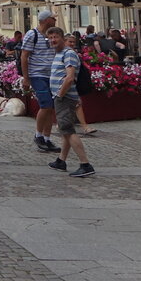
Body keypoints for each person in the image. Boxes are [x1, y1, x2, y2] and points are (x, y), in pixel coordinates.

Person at [45, 26, 95, 178]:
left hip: (65, 98)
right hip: (61, 97)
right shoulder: (59, 53)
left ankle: (85, 164)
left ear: (62, 38)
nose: (53, 40)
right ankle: (61, 161)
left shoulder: (69, 54)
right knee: (66, 130)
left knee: (67, 130)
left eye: (55, 37)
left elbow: (70, 77)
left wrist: (60, 94)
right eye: (50, 38)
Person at [19, 10, 61, 154]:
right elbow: (24, 56)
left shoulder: (52, 35)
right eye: (52, 18)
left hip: (52, 75)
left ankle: (47, 138)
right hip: (37, 75)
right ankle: (38, 135)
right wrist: (26, 77)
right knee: (46, 104)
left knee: (51, 108)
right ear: (45, 20)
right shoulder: (32, 35)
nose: (55, 20)